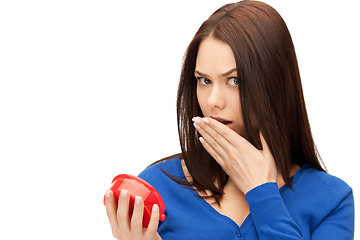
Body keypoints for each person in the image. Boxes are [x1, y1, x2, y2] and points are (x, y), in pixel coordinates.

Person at [104, 0, 355, 239]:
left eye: (235, 81)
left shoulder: (332, 201)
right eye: (204, 80)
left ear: (276, 85)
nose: (213, 100)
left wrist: (262, 193)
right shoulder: (156, 188)